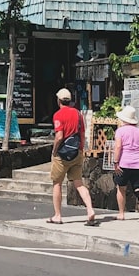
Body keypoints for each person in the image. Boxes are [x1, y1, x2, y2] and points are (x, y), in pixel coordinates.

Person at [47, 88, 96, 225]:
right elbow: (82, 133)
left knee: (57, 183)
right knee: (78, 183)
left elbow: (59, 136)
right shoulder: (78, 114)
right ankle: (90, 210)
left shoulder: (58, 115)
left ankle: (57, 215)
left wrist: (54, 151)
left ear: (58, 100)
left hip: (62, 154)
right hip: (77, 151)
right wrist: (81, 149)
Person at [113, 104, 139, 222]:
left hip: (124, 163)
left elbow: (118, 146)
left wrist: (115, 161)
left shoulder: (120, 131)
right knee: (138, 188)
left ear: (123, 119)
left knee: (121, 188)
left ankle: (121, 213)